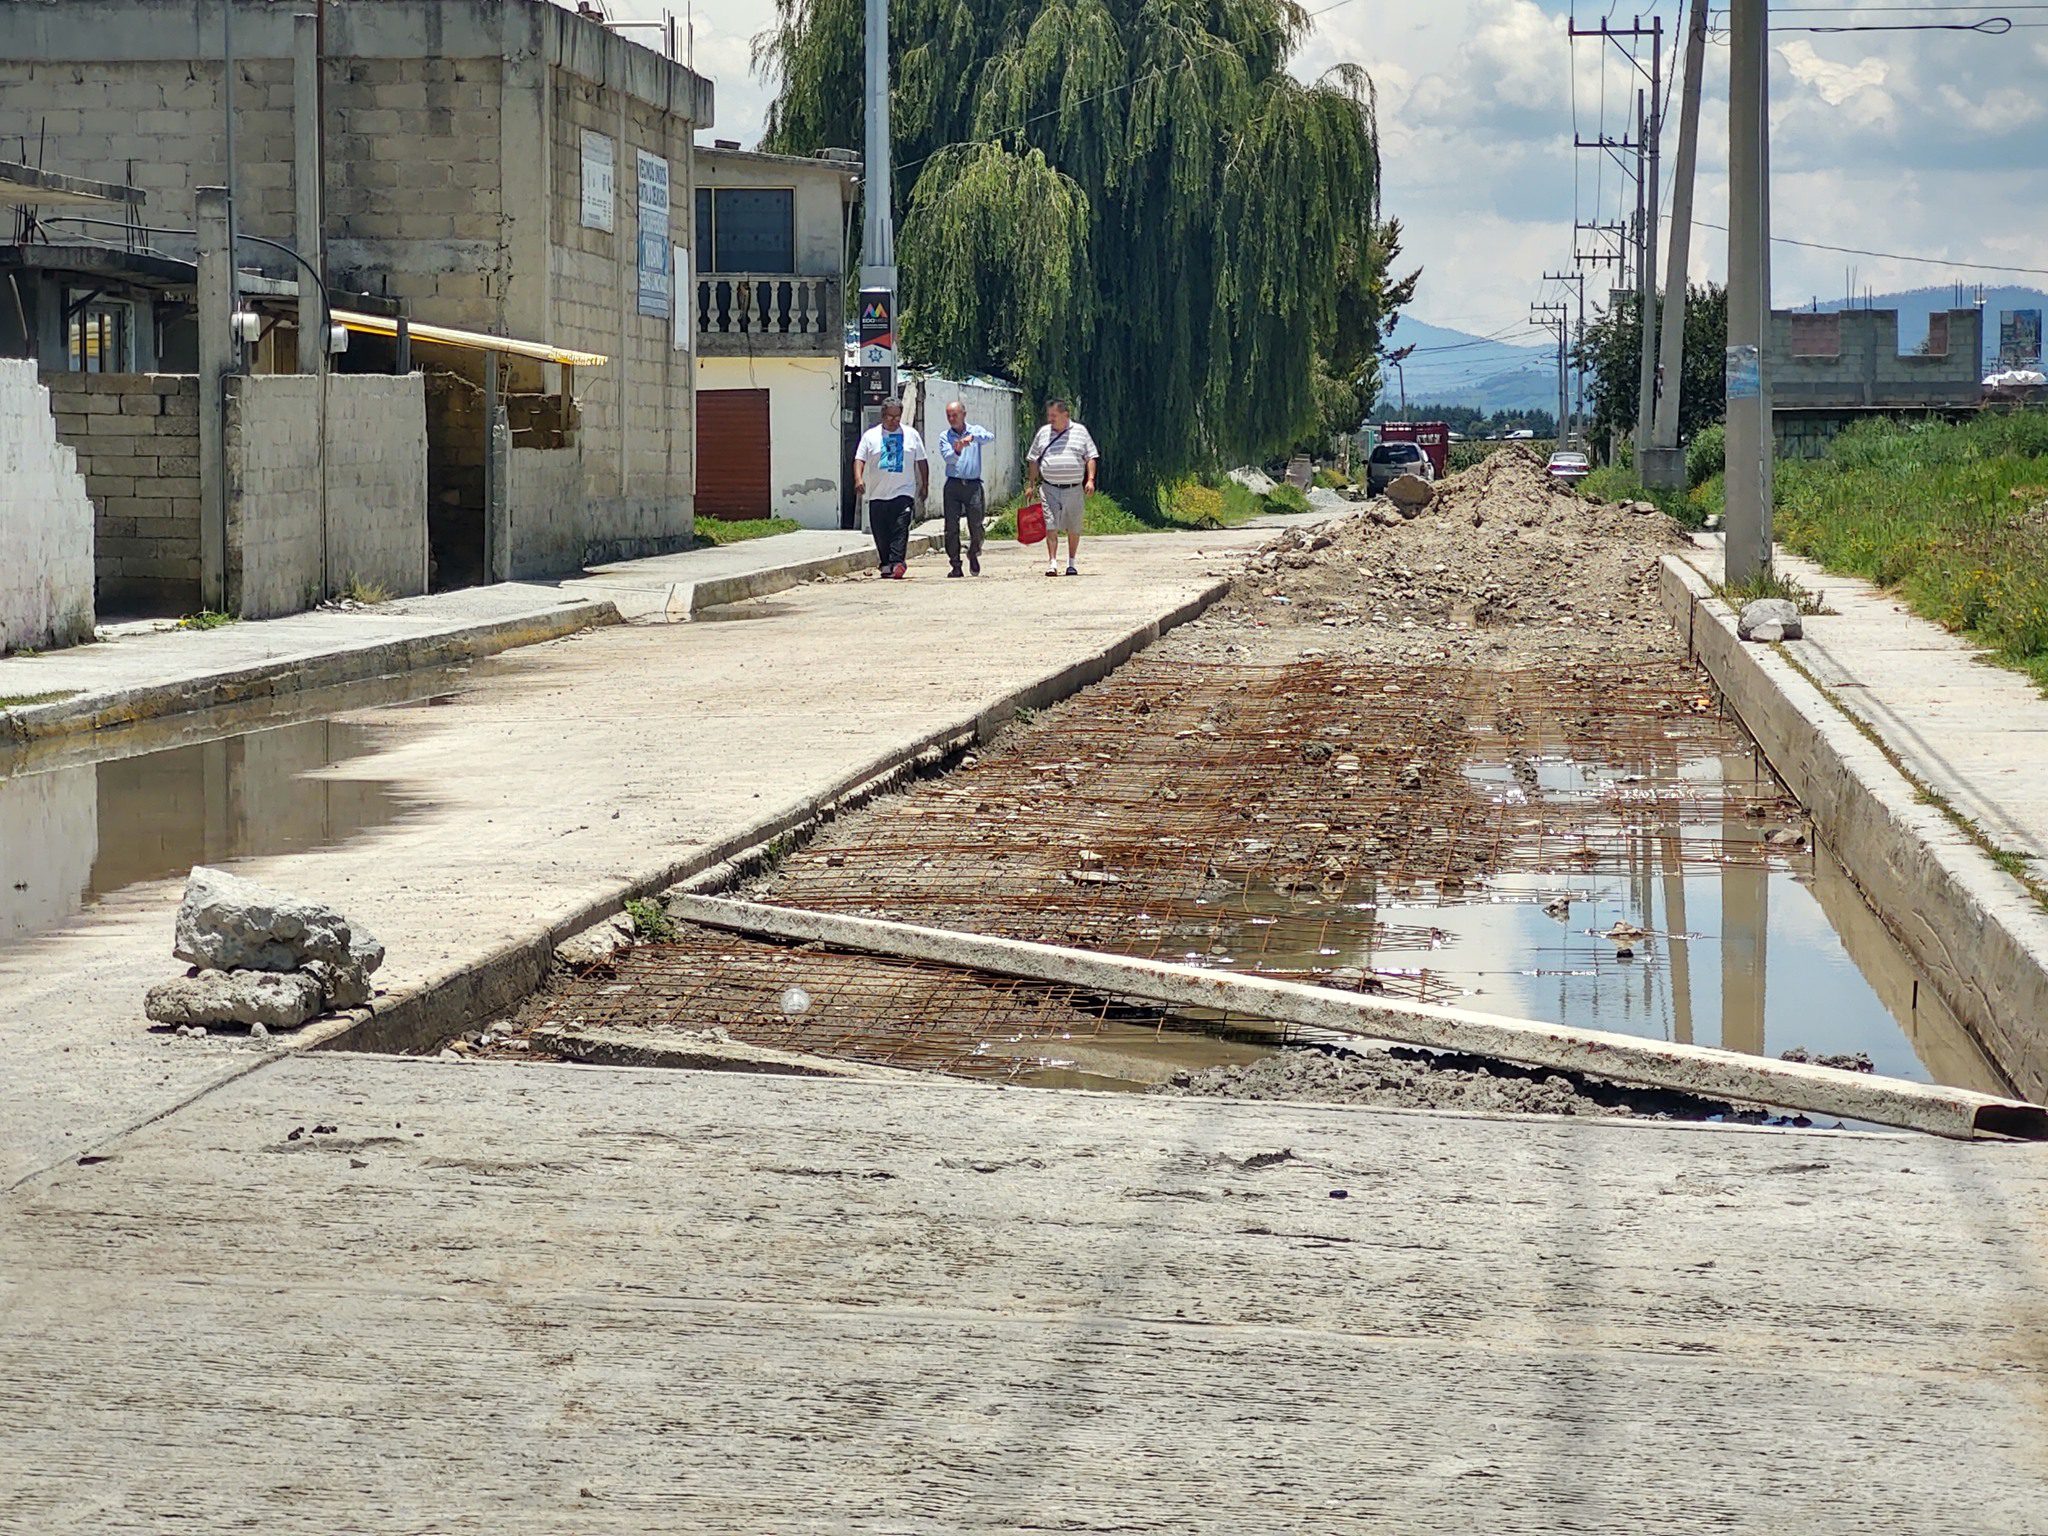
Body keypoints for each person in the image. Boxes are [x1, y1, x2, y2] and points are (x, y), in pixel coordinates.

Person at [852, 397, 928, 579]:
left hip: (903, 492)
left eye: (897, 417)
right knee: (881, 532)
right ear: (882, 415)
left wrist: (924, 484)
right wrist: (858, 479)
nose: (894, 421)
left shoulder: (911, 435)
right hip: (877, 493)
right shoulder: (870, 436)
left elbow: (922, 461)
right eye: (890, 417)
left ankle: (897, 563)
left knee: (901, 527)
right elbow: (859, 459)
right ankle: (885, 564)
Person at [1025, 398, 1099, 576]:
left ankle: (1071, 562)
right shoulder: (1043, 432)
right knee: (1051, 524)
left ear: (1065, 415)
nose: (1050, 419)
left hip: (1073, 488)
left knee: (1073, 526)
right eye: (1049, 416)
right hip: (1049, 487)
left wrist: (1090, 479)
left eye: (1054, 416)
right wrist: (1031, 485)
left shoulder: (1080, 432)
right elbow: (1033, 459)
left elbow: (1090, 457)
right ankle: (1052, 563)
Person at [936, 400, 995, 577]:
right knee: (951, 527)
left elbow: (990, 437)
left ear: (964, 414)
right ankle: (955, 564)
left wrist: (973, 438)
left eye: (955, 415)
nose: (952, 419)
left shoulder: (975, 430)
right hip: (953, 485)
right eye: (949, 416)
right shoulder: (944, 436)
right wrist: (958, 450)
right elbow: (948, 458)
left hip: (973, 485)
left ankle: (974, 551)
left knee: (976, 524)